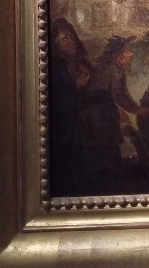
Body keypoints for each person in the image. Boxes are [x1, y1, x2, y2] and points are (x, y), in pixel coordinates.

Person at [75, 35, 149, 193]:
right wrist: (137, 110)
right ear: (118, 54)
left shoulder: (102, 67)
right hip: (101, 117)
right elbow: (119, 96)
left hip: (89, 117)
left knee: (95, 153)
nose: (130, 54)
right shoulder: (114, 69)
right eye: (127, 51)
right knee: (108, 151)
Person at [49, 18, 92, 196]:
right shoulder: (54, 67)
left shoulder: (74, 62)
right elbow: (57, 102)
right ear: (56, 44)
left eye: (71, 37)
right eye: (65, 39)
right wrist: (76, 86)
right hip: (63, 134)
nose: (71, 41)